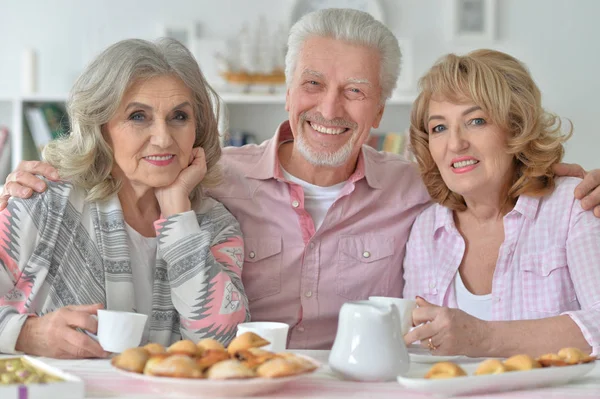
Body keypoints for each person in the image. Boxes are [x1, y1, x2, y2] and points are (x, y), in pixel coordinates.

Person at [4, 9, 600, 350]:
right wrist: (36, 179)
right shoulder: (213, 181)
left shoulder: (418, 188)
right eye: (313, 84)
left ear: (381, 104)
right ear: (287, 90)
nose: (331, 109)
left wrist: (549, 173)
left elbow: (479, 170)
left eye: (357, 91)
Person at [0, 38, 249, 358]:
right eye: (138, 116)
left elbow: (225, 344)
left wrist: (178, 214)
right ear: (101, 126)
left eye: (179, 117)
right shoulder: (43, 203)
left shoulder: (215, 225)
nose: (162, 138)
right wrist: (26, 334)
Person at [403, 49, 600, 358]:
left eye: (476, 121)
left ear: (517, 128)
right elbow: (414, 350)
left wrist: (483, 338)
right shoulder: (426, 228)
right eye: (439, 127)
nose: (455, 144)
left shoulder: (574, 204)